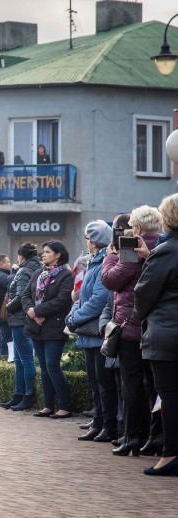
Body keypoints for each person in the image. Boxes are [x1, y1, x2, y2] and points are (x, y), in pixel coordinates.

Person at [103, 206, 164, 458]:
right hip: (155, 326)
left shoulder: (130, 247)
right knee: (156, 386)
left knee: (132, 384)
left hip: (130, 328)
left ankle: (132, 438)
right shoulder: (163, 245)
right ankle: (156, 438)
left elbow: (111, 280)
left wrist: (110, 256)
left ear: (137, 227)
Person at [134, 193, 178, 476]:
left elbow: (144, 295)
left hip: (168, 335)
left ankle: (171, 454)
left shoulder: (167, 250)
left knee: (170, 396)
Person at [68, 221, 116, 442]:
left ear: (95, 242)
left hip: (96, 333)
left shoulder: (104, 263)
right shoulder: (94, 263)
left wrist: (76, 317)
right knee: (95, 384)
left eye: (88, 239)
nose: (86, 242)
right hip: (88, 333)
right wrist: (74, 312)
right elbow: (83, 296)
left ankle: (109, 425)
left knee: (104, 384)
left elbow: (99, 299)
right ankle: (98, 423)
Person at [22, 240, 74, 419]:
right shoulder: (38, 273)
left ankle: (65, 406)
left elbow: (63, 300)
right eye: (43, 252)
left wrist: (38, 310)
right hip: (36, 326)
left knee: (53, 366)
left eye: (47, 252)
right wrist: (32, 312)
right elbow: (26, 296)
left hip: (54, 327)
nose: (42, 255)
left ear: (58, 254)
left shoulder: (66, 275)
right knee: (43, 367)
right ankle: (48, 405)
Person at [1, 244, 42, 411]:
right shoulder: (37, 268)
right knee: (21, 360)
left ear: (21, 256)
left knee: (23, 360)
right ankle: (19, 395)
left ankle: (27, 395)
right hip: (23, 318)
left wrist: (8, 308)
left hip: (19, 319)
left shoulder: (24, 271)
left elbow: (20, 296)